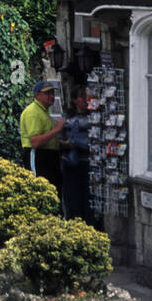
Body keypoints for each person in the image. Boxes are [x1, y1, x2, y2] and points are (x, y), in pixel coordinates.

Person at [21, 79, 64, 189]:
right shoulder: (33, 112)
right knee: (41, 190)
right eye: (47, 93)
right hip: (39, 156)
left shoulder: (43, 111)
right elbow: (35, 142)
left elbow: (45, 136)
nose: (51, 96)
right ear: (37, 95)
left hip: (48, 157)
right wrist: (57, 129)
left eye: (52, 93)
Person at [59, 86, 92, 222]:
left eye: (87, 97)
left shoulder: (93, 117)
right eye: (81, 97)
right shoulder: (66, 118)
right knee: (72, 197)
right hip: (70, 163)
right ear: (74, 100)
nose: (85, 100)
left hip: (88, 162)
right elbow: (59, 138)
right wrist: (68, 144)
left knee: (88, 198)